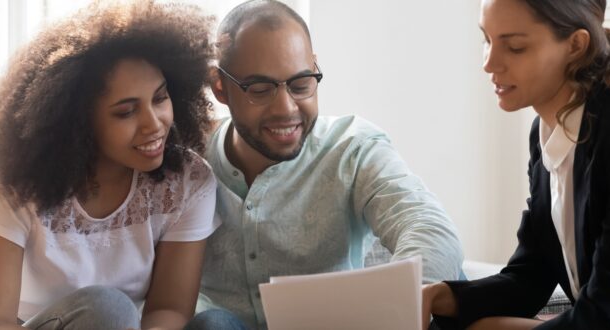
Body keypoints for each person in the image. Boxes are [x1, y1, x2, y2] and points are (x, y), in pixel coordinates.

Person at [422, 0, 610, 329]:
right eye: (486, 40)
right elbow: (530, 277)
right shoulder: (546, 132)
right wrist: (437, 296)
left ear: (575, 45)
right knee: (447, 322)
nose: (490, 64)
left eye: (515, 47)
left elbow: (603, 315)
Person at [185, 1, 464, 329]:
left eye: (301, 84)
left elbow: (427, 226)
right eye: (260, 90)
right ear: (220, 87)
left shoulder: (352, 148)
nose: (286, 108)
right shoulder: (187, 161)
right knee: (213, 323)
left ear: (314, 67)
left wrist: (400, 304)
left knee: (451, 282)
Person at [0, 2, 220, 329]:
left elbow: (169, 309)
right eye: (126, 112)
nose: (154, 124)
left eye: (160, 98)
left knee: (214, 323)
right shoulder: (16, 185)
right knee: (108, 308)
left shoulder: (186, 181)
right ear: (79, 123)